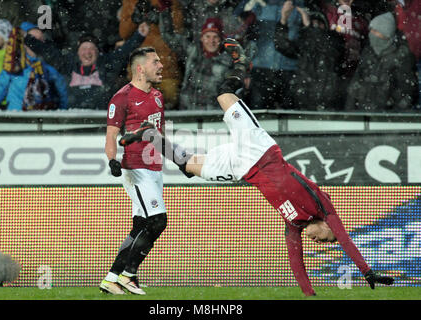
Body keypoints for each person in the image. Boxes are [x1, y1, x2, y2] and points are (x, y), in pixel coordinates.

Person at [120, 39, 395, 296]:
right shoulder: (323, 206)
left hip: (243, 169)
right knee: (223, 93)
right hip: (258, 148)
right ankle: (242, 65)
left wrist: (309, 294)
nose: (320, 242)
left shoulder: (294, 224)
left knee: (190, 166)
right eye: (326, 239)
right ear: (327, 225)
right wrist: (367, 271)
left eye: (323, 244)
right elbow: (346, 239)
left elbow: (295, 260)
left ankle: (149, 135)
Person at [99, 46, 167, 295]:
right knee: (158, 220)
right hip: (135, 169)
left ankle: (111, 278)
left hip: (155, 168)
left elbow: (158, 135)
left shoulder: (158, 96)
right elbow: (111, 135)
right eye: (155, 62)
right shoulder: (122, 97)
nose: (161, 66)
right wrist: (112, 160)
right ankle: (128, 274)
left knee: (140, 225)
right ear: (140, 68)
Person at [23, 23, 149, 110]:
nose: (87, 53)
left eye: (91, 49)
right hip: (75, 121)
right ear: (78, 52)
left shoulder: (106, 64)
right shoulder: (69, 65)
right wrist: (27, 39)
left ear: (97, 52)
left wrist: (139, 35)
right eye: (84, 49)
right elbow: (48, 52)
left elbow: (123, 52)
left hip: (102, 121)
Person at [274, 2, 345, 110]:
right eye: (312, 23)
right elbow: (282, 45)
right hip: (303, 99)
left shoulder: (335, 40)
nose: (314, 25)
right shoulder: (304, 45)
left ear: (325, 26)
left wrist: (309, 26)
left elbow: (324, 46)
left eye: (318, 23)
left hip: (327, 100)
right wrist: (283, 19)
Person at [0, 26, 68, 111]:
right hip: (17, 118)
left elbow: (62, 93)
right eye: (33, 38)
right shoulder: (14, 65)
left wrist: (61, 115)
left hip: (42, 118)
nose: (38, 42)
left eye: (41, 39)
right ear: (24, 42)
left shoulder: (48, 66)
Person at [345, 12, 418, 112]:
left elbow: (406, 95)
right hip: (362, 116)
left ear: (385, 35)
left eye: (376, 31)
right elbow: (353, 88)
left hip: (385, 120)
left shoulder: (401, 58)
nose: (372, 34)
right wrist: (349, 114)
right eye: (371, 30)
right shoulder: (368, 53)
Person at [159, 14, 234, 110]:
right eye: (208, 36)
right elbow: (168, 36)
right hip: (187, 113)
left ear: (221, 39)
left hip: (212, 116)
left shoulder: (228, 62)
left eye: (215, 37)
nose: (211, 41)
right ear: (202, 38)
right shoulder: (193, 51)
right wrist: (165, 10)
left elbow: (234, 93)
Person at [119, 0, 184, 110]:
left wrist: (164, 15)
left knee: (169, 100)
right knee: (137, 105)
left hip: (166, 68)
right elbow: (124, 33)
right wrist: (135, 18)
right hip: (140, 68)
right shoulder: (130, 2)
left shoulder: (171, 2)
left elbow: (179, 29)